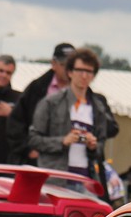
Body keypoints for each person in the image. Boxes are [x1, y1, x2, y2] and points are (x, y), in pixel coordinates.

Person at [29, 48, 113, 177]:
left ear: (94, 75)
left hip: (85, 179)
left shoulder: (98, 108)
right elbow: (33, 139)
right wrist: (62, 141)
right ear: (70, 72)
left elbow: (101, 145)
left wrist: (93, 145)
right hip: (55, 177)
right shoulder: (51, 102)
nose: (84, 76)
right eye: (80, 70)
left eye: (89, 71)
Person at [9, 42, 75, 164]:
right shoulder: (37, 88)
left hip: (72, 162)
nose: (68, 70)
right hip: (38, 161)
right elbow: (16, 121)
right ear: (53, 64)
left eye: (72, 66)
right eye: (64, 64)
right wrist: (27, 149)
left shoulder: (85, 94)